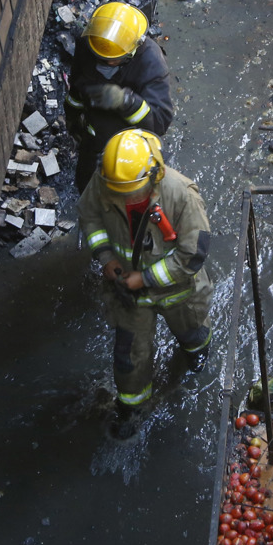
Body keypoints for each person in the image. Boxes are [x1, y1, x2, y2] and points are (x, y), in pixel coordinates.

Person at [81, 129, 213, 436]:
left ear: (154, 173)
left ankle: (196, 357)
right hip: (127, 292)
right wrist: (106, 258)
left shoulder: (181, 195)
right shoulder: (104, 182)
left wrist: (146, 278)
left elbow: (193, 256)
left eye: (133, 190)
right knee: (129, 357)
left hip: (178, 290)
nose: (126, 196)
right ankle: (132, 408)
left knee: (193, 332)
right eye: (120, 190)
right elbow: (90, 217)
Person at [64, 1, 173, 193]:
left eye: (111, 60)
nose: (103, 62)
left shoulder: (151, 63)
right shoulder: (91, 43)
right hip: (92, 137)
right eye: (99, 57)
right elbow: (77, 86)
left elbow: (159, 124)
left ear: (132, 51)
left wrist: (127, 102)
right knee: (87, 186)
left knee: (125, 193)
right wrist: (72, 118)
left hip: (128, 147)